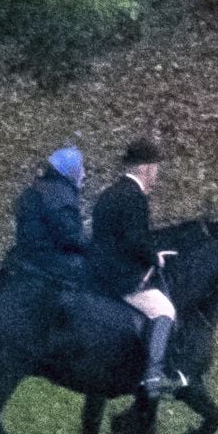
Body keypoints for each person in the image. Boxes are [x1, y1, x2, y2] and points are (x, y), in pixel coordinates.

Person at [87, 138, 185, 398]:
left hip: (98, 271)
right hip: (120, 278)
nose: (156, 175)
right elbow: (133, 240)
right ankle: (153, 375)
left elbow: (113, 238)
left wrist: (151, 254)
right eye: (155, 168)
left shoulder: (110, 193)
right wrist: (155, 257)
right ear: (146, 168)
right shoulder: (134, 197)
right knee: (165, 309)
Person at [3, 146, 87, 283]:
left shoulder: (37, 188)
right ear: (71, 171)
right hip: (48, 261)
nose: (84, 174)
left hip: (26, 253)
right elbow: (70, 237)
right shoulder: (61, 196)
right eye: (81, 168)